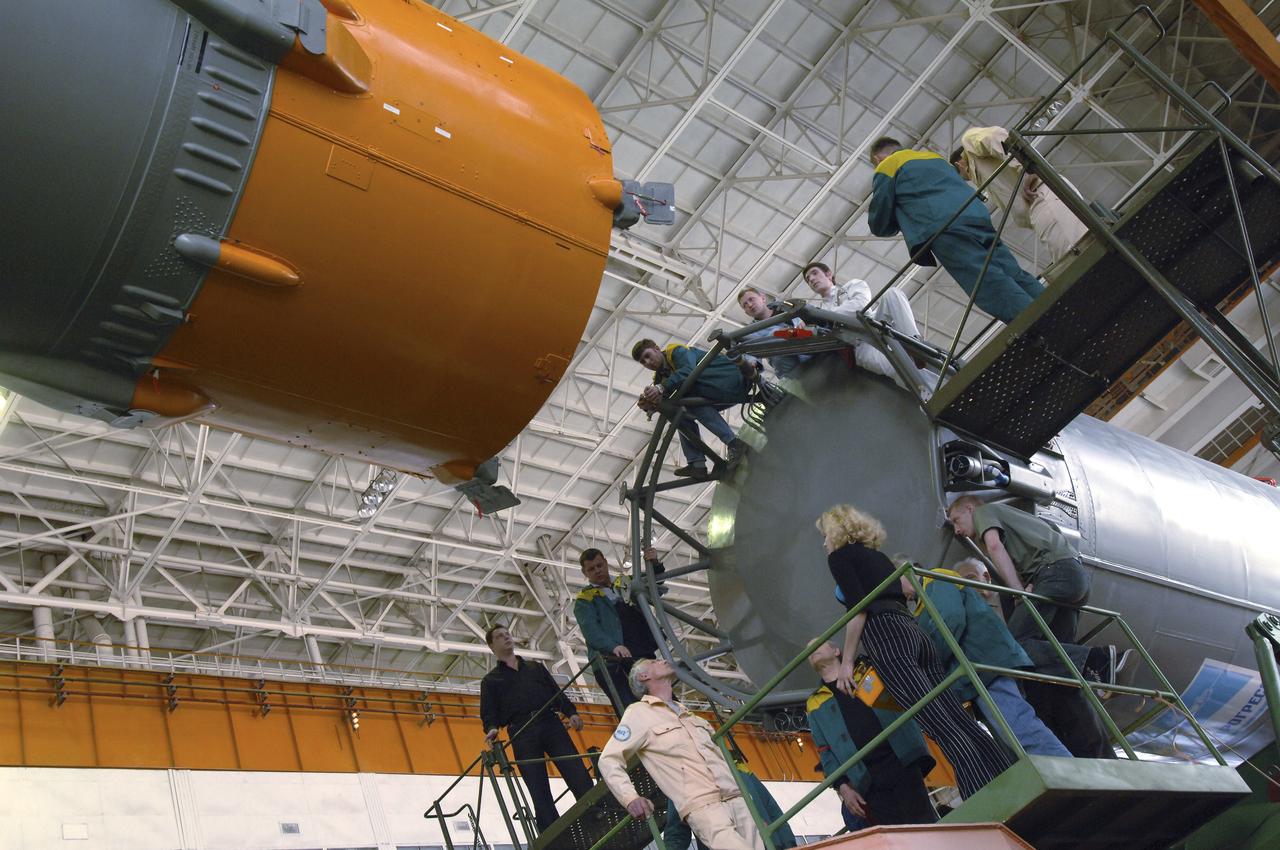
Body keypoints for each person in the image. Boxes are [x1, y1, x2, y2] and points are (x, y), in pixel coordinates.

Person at [815, 504, 1012, 798]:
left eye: (825, 535)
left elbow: (859, 609)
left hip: (886, 637)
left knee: (939, 724)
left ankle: (984, 795)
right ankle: (1006, 778)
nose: (824, 542)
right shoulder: (879, 557)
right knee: (956, 718)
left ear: (836, 532)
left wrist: (847, 663)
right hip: (912, 630)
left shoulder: (840, 557)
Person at [946, 496, 1131, 758]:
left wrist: (1020, 591)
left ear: (969, 508)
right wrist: (1030, 583)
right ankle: (1098, 741)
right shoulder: (1019, 522)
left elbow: (995, 546)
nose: (957, 530)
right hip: (1072, 576)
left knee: (1016, 646)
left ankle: (1097, 660)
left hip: (1055, 574)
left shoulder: (985, 511)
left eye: (956, 520)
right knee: (1058, 665)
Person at [902, 561, 1072, 758]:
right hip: (976, 673)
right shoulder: (924, 598)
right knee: (1010, 739)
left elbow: (950, 618)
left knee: (1019, 729)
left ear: (906, 571)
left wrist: (929, 660)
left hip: (985, 665)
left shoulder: (934, 577)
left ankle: (1071, 775)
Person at [868, 136, 1044, 324]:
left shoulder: (888, 166)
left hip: (944, 227)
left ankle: (1034, 322)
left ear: (879, 159)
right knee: (1011, 270)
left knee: (986, 281)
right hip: (975, 217)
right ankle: (1047, 303)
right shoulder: (935, 158)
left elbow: (879, 223)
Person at [599, 658, 765, 850]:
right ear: (644, 676)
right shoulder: (638, 714)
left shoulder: (692, 717)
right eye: (654, 661)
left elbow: (721, 760)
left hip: (738, 799)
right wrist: (629, 798)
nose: (662, 659)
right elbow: (609, 759)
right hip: (704, 807)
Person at [806, 641, 938, 827]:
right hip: (867, 779)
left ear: (836, 650)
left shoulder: (868, 671)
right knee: (896, 838)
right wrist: (843, 787)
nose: (811, 650)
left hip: (901, 761)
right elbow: (825, 750)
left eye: (818, 644)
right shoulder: (814, 703)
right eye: (808, 650)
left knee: (924, 825)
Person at [479, 626, 595, 831]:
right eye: (499, 636)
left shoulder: (535, 667)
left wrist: (571, 712)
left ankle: (597, 812)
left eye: (507, 634)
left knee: (575, 770)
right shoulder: (490, 681)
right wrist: (492, 728)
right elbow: (489, 712)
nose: (506, 637)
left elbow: (555, 692)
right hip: (521, 732)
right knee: (536, 784)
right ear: (491, 646)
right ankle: (552, 832)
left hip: (550, 722)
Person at [951, 126, 1087, 267]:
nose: (968, 180)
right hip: (1041, 204)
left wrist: (1026, 168)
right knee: (1076, 253)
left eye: (963, 177)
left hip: (1042, 198)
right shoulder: (983, 172)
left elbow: (995, 136)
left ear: (959, 164)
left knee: (1077, 255)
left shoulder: (969, 140)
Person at [632, 338, 750, 481]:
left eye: (647, 356)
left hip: (730, 380)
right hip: (715, 393)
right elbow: (667, 398)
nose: (648, 363)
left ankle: (734, 443)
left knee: (691, 405)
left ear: (657, 348)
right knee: (678, 415)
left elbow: (688, 370)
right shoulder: (660, 378)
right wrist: (651, 404)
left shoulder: (676, 351)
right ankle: (696, 463)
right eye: (643, 362)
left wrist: (661, 388)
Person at [574, 546, 666, 716]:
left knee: (664, 702)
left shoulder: (625, 583)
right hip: (613, 663)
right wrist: (613, 646)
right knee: (631, 709)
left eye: (599, 565)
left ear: (606, 563)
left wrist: (655, 564)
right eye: (591, 569)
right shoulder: (584, 600)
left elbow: (655, 585)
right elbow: (590, 629)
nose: (597, 571)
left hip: (641, 653)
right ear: (584, 572)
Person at [800, 263, 923, 381]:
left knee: (892, 294)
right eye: (808, 279)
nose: (811, 279)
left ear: (828, 274)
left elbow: (860, 305)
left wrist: (827, 318)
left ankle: (914, 345)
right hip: (859, 345)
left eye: (814, 273)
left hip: (875, 323)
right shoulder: (816, 312)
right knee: (898, 368)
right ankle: (928, 392)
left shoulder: (852, 285)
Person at [736, 286, 811, 379]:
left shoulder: (789, 307)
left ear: (763, 298)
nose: (750, 305)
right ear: (746, 312)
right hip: (791, 372)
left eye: (751, 299)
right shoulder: (751, 333)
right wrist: (750, 363)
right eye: (745, 305)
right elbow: (749, 352)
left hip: (815, 353)